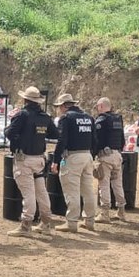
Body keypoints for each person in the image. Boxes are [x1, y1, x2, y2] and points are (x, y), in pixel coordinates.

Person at [5, 86, 59, 237]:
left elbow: (9, 133)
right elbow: (54, 134)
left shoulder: (22, 115)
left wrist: (13, 121)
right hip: (39, 159)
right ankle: (46, 223)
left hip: (24, 159)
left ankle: (26, 225)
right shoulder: (45, 117)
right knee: (42, 191)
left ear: (25, 100)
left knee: (28, 194)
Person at [51, 93, 98, 232]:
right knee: (88, 190)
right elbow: (95, 140)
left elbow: (62, 141)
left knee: (72, 190)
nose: (58, 110)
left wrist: (56, 160)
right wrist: (92, 156)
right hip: (87, 156)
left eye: (59, 107)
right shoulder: (89, 118)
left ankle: (71, 222)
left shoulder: (66, 118)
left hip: (72, 157)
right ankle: (90, 221)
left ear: (64, 106)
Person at [93, 97, 127, 222]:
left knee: (104, 184)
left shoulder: (101, 120)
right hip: (117, 155)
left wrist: (94, 154)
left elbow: (97, 140)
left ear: (101, 106)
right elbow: (122, 139)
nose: (97, 109)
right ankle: (121, 211)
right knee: (118, 184)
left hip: (105, 156)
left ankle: (104, 213)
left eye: (97, 106)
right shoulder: (118, 119)